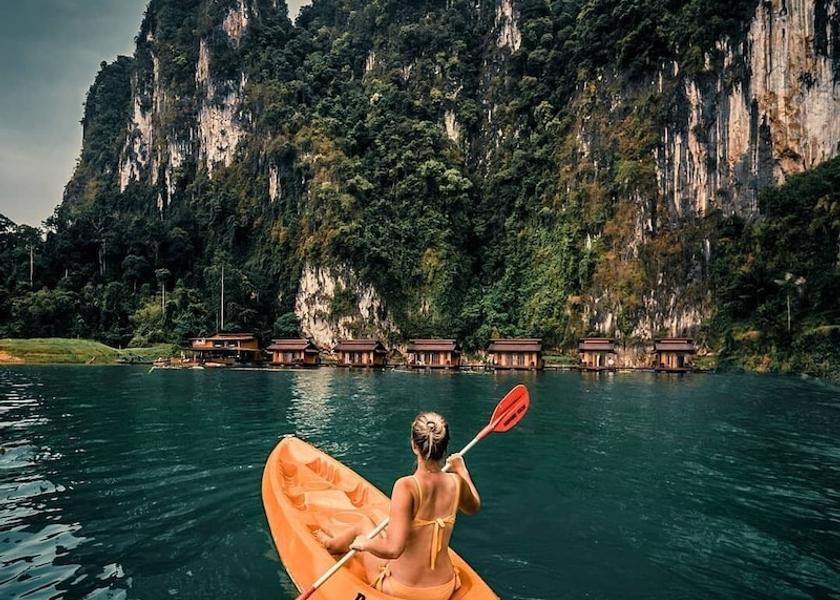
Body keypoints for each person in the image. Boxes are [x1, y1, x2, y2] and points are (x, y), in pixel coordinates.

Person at [315, 412, 481, 600]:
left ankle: (329, 544)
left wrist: (365, 543)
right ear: (445, 446)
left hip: (405, 590)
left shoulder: (406, 486)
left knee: (363, 523)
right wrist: (462, 470)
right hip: (445, 588)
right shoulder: (456, 482)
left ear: (414, 446)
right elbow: (473, 507)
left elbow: (393, 549)